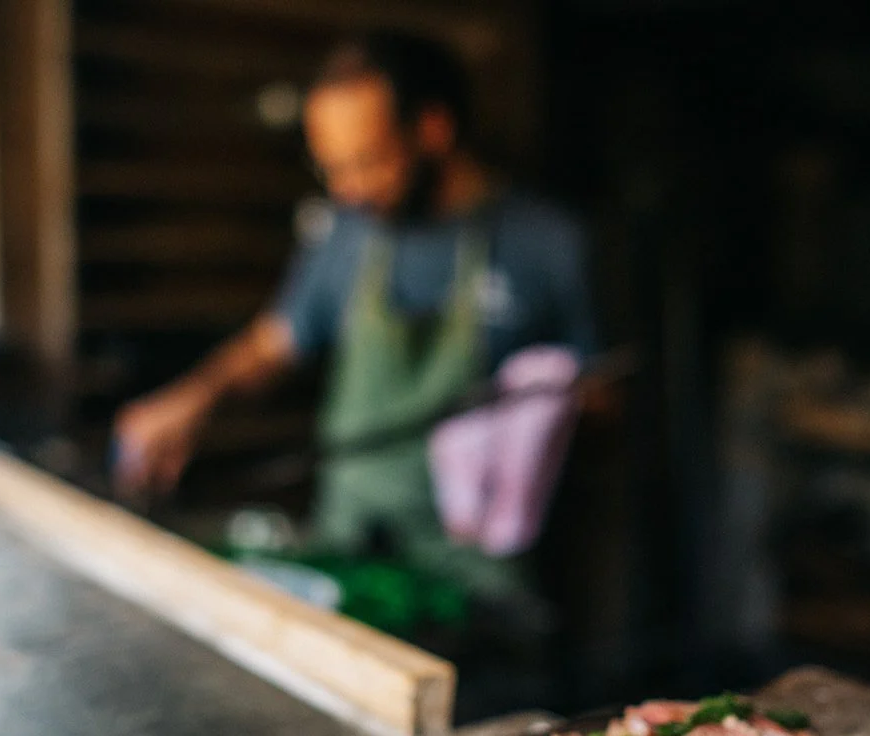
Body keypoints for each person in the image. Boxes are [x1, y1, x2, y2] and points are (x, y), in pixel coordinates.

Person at [112, 31, 595, 603]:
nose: (348, 190)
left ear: (433, 130)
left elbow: (604, 391)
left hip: (476, 578)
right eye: (332, 169)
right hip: (352, 552)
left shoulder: (548, 243)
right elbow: (273, 344)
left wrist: (541, 404)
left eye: (368, 162)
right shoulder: (347, 232)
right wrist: (194, 398)